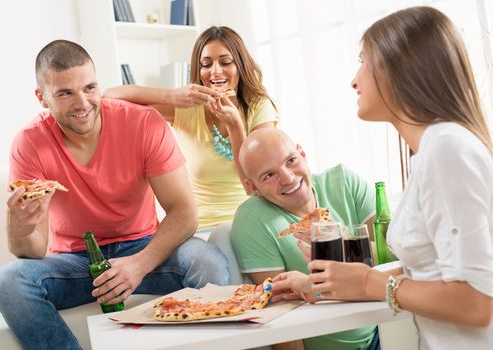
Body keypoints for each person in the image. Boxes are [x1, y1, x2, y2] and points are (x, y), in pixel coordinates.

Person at [271, 6, 493, 350]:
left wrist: (368, 285)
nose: (354, 79)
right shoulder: (435, 150)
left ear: (400, 66)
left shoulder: (447, 149)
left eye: (363, 61)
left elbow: (477, 302)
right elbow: (431, 271)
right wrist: (329, 284)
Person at [0, 40, 229, 350]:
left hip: (146, 249)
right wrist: (17, 231)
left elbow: (185, 212)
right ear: (42, 98)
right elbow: (33, 251)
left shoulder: (142, 123)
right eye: (65, 93)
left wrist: (138, 265)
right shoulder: (29, 144)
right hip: (75, 263)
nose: (83, 103)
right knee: (8, 283)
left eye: (89, 87)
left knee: (208, 261)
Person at [104, 26, 278, 232]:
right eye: (206, 64)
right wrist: (171, 96)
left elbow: (255, 185)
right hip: (201, 229)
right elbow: (110, 96)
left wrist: (235, 126)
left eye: (225, 62)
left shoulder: (258, 106)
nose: (215, 71)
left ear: (240, 65)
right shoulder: (185, 108)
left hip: (251, 222)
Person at [230, 128, 377, 350]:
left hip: (388, 331)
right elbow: (280, 318)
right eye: (269, 175)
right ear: (252, 188)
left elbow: (394, 256)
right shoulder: (252, 220)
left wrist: (339, 243)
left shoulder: (345, 181)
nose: (288, 178)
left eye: (290, 160)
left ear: (303, 154)